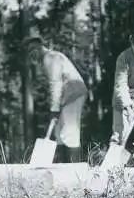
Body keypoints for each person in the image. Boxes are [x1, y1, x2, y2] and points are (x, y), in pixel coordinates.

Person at [26, 32, 88, 163]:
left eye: (32, 50)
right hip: (67, 95)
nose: (30, 54)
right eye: (28, 51)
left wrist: (54, 108)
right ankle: (63, 168)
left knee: (69, 133)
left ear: (39, 47)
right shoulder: (48, 59)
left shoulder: (50, 57)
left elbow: (56, 84)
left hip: (74, 92)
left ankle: (75, 172)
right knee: (59, 133)